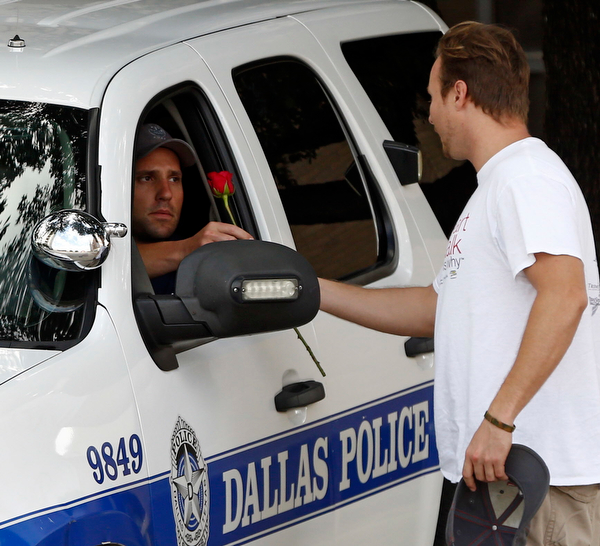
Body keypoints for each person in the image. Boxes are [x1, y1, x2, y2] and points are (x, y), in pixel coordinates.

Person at [319, 22, 600, 545]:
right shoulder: (497, 185)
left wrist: (499, 420)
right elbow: (437, 308)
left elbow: (566, 295)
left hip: (540, 482)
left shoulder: (525, 180)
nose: (429, 115)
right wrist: (314, 292)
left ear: (459, 92)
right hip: (508, 482)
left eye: (432, 97)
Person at [132, 123, 252, 292]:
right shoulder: (90, 249)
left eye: (174, 179)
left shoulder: (202, 253)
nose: (166, 194)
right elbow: (103, 265)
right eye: (147, 178)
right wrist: (188, 249)